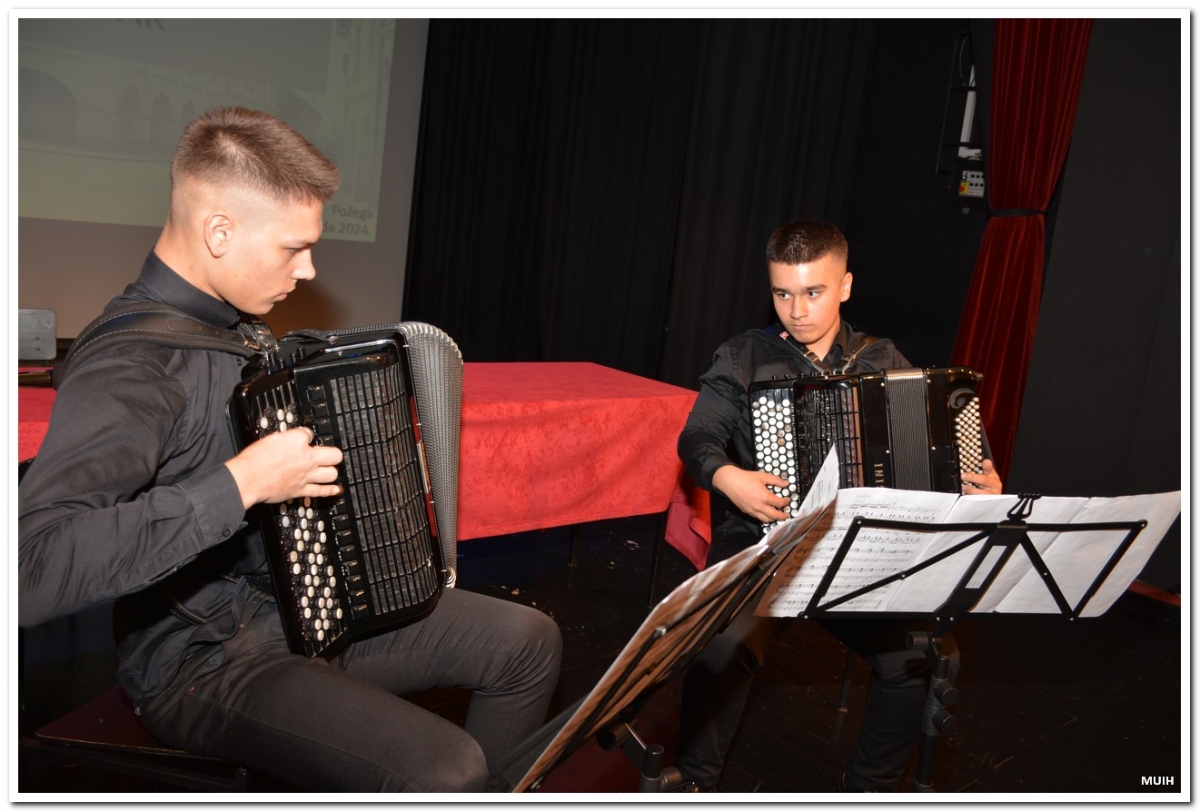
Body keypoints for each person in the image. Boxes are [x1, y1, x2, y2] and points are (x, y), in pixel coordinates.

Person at [18, 107, 562, 793]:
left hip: (299, 603)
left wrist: (376, 466)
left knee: (528, 642)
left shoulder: (240, 328)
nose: (308, 271)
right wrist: (239, 485)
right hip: (201, 660)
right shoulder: (130, 369)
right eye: (292, 248)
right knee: (448, 769)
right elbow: (29, 568)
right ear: (219, 231)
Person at [673, 218, 1003, 792]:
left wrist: (979, 478)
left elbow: (941, 451)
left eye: (813, 291)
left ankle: (864, 792)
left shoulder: (883, 360)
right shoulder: (743, 357)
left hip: (856, 548)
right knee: (722, 642)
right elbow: (697, 438)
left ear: (845, 286)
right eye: (782, 293)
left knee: (928, 657)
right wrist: (730, 478)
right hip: (764, 541)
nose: (796, 310)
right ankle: (694, 785)